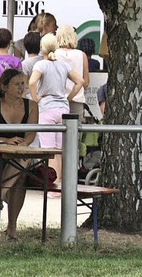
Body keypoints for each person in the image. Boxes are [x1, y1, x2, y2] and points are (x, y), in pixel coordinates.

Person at [0, 68, 39, 240]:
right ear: (4, 86)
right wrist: (5, 141)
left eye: (23, 84)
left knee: (22, 166)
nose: (21, 88)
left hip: (17, 157)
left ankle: (11, 224)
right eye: (17, 84)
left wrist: (22, 144)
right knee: (20, 169)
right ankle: (1, 197)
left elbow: (30, 135)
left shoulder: (31, 106)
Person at [28, 33, 85, 183]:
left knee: (50, 150)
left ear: (42, 48)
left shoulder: (40, 64)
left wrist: (36, 98)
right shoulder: (63, 65)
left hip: (47, 108)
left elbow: (32, 82)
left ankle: (53, 185)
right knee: (61, 150)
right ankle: (62, 183)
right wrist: (68, 97)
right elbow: (80, 81)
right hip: (63, 109)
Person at [55, 25, 90, 121]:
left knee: (57, 133)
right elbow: (86, 82)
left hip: (57, 100)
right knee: (75, 133)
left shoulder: (54, 54)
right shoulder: (82, 55)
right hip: (77, 100)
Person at [21, 31, 43, 99]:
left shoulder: (24, 64)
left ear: (25, 46)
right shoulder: (44, 61)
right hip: (42, 97)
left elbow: (23, 85)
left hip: (29, 98)